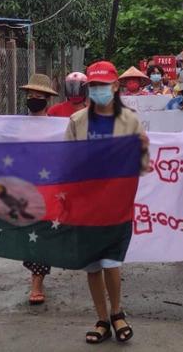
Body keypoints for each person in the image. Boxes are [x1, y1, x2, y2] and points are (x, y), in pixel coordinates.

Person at [65, 61, 149, 344]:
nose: (98, 90)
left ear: (115, 86)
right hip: (86, 205)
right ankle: (101, 318)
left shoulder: (131, 120)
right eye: (93, 86)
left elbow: (142, 163)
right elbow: (68, 161)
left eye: (103, 85)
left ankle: (117, 312)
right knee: (92, 265)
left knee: (112, 262)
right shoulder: (77, 121)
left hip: (116, 204)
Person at [19, 73, 58, 305]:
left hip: (49, 189)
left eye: (38, 96)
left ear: (47, 100)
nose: (33, 99)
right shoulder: (17, 126)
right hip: (24, 187)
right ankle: (35, 274)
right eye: (30, 96)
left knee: (41, 234)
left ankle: (37, 282)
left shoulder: (57, 127)